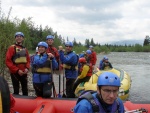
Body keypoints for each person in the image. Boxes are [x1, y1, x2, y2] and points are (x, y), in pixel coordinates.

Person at [5, 32, 30, 96]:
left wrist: (27, 68)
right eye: (17, 36)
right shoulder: (12, 48)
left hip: (24, 72)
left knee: (25, 89)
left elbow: (28, 60)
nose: (19, 37)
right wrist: (17, 70)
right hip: (15, 72)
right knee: (16, 89)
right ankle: (16, 103)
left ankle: (26, 103)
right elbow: (8, 61)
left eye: (20, 36)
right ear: (15, 38)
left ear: (23, 38)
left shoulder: (25, 49)